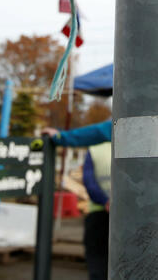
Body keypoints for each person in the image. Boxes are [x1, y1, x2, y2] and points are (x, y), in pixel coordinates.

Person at [42, 120, 112, 280]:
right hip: (129, 215)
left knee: (97, 259)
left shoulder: (96, 148)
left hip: (99, 213)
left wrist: (59, 136)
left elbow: (89, 181)